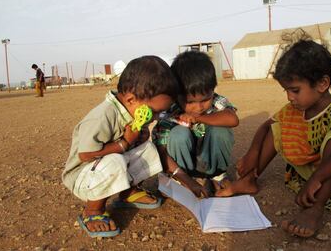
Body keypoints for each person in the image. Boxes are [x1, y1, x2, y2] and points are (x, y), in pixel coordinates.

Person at [216, 40, 331, 238]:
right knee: (277, 127)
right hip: (311, 173)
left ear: (322, 84)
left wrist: (317, 178)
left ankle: (315, 209)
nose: (289, 97)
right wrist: (253, 152)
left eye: (295, 90)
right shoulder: (295, 109)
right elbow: (267, 126)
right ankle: (249, 180)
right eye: (286, 90)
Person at [62, 56, 178, 238]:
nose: (155, 118)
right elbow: (85, 154)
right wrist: (124, 143)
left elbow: (133, 145)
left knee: (149, 149)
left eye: (159, 112)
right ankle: (93, 211)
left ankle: (127, 192)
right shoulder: (103, 116)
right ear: (131, 99)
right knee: (115, 160)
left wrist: (139, 138)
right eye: (153, 112)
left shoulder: (132, 110)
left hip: (105, 166)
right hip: (83, 177)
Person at [152, 50, 239, 198]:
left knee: (221, 130)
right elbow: (162, 152)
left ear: (213, 90)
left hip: (209, 164)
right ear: (176, 95)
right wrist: (187, 181)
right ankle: (186, 180)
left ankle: (216, 175)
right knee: (179, 133)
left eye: (205, 99)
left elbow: (233, 119)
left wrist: (198, 119)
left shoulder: (217, 102)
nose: (198, 108)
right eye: (190, 102)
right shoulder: (170, 112)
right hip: (182, 170)